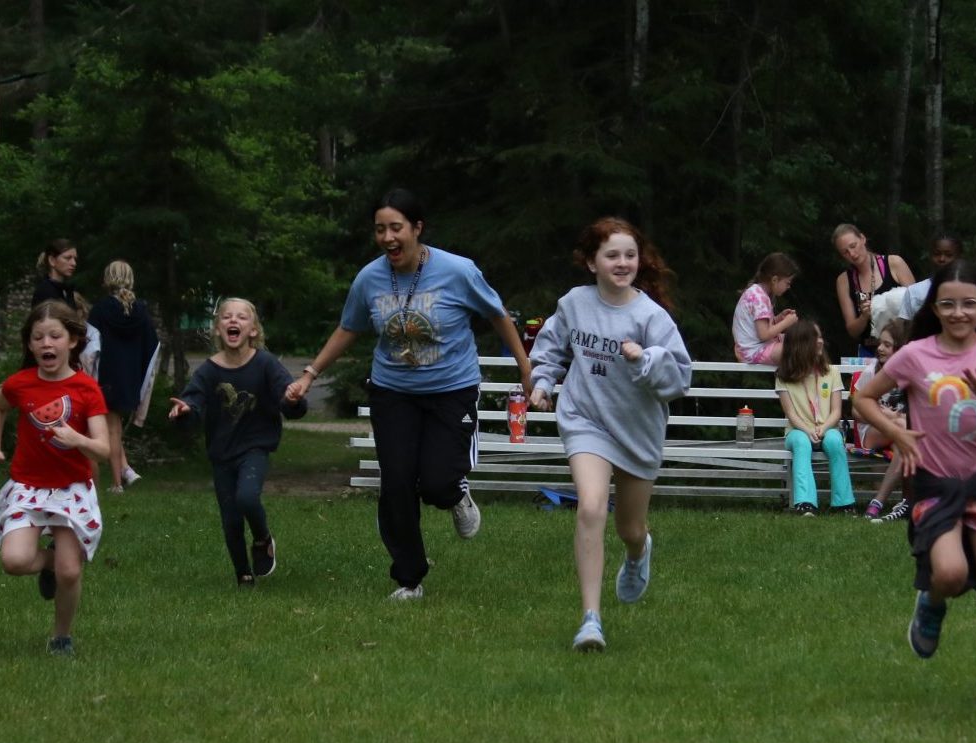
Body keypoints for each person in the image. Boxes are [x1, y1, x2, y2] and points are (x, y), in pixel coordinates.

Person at [284, 188, 533, 601]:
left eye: (396, 228)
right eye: (380, 229)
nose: (387, 238)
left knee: (435, 482)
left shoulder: (458, 271)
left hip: (451, 390)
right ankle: (408, 579)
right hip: (393, 391)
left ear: (417, 229)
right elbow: (349, 327)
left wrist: (526, 369)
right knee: (397, 484)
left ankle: (455, 493)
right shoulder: (369, 278)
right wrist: (310, 374)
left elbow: (497, 314)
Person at [854, 260, 976, 707]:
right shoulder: (915, 354)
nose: (959, 313)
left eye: (968, 304)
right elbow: (862, 397)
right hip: (934, 485)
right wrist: (898, 433)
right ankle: (932, 604)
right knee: (950, 572)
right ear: (935, 308)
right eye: (948, 304)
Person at [529, 217, 691, 652]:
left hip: (637, 432)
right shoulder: (574, 304)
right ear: (591, 262)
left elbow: (678, 380)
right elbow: (550, 348)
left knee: (629, 528)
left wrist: (647, 359)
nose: (623, 263)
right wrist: (543, 383)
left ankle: (639, 553)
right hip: (586, 420)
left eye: (630, 255)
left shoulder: (650, 316)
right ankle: (590, 620)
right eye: (612, 255)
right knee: (591, 507)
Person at [0, 300, 110, 656]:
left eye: (55, 335)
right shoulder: (20, 383)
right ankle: (51, 564)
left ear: (72, 341)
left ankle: (61, 636)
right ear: (30, 344)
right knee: (14, 561)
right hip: (28, 488)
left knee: (71, 574)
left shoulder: (87, 389)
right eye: (38, 337)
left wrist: (78, 440)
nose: (46, 343)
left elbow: (104, 449)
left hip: (72, 491)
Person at [170, 298, 307, 586]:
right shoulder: (208, 370)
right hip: (221, 452)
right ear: (218, 329)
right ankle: (243, 573)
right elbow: (193, 401)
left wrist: (293, 399)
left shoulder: (265, 363)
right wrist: (184, 411)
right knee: (230, 517)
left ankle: (262, 539)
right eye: (227, 317)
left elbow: (288, 398)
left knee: (246, 497)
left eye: (242, 318)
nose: (234, 321)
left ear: (253, 330)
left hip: (255, 446)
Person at [86, 260, 160, 492]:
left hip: (105, 377)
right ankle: (121, 477)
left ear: (107, 279)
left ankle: (116, 483)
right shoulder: (141, 312)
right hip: (129, 379)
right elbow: (152, 346)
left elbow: (90, 348)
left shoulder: (99, 311)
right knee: (114, 429)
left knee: (110, 430)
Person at [773, 319, 856, 517]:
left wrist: (824, 428)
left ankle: (844, 503)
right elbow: (791, 414)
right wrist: (808, 430)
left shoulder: (831, 372)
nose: (820, 341)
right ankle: (805, 503)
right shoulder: (783, 376)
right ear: (801, 344)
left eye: (820, 336)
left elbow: (836, 411)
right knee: (802, 443)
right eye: (815, 337)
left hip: (828, 429)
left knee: (836, 442)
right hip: (797, 431)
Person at [850, 319, 910, 521]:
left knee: (905, 439)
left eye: (887, 344)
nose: (881, 348)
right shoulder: (873, 372)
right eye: (880, 343)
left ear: (900, 348)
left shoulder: (911, 373)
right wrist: (884, 415)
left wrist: (896, 417)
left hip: (900, 432)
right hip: (871, 432)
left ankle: (878, 503)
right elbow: (856, 411)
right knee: (906, 431)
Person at [832, 224, 915, 356]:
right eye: (845, 252)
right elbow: (852, 331)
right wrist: (864, 317)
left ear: (863, 239)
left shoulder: (894, 263)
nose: (852, 254)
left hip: (901, 348)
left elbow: (917, 306)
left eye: (853, 246)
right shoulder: (844, 281)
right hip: (870, 350)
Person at [731, 252, 799, 364]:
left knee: (804, 340)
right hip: (753, 351)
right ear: (775, 280)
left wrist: (778, 318)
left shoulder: (757, 292)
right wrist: (786, 323)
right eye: (787, 282)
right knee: (799, 348)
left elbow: (760, 327)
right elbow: (764, 335)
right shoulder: (759, 297)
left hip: (753, 348)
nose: (788, 286)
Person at [31, 238, 79, 308]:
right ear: (52, 260)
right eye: (68, 258)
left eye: (75, 259)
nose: (74, 263)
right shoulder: (45, 292)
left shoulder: (66, 290)